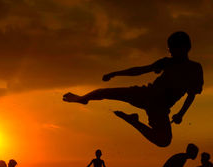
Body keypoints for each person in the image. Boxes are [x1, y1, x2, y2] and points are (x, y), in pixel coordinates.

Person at [63, 31, 203, 147]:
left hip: (159, 109)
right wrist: (115, 73)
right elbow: (140, 70)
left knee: (164, 141)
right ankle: (82, 99)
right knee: (104, 92)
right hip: (146, 95)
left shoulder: (195, 69)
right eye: (170, 49)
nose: (171, 52)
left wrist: (181, 114)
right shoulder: (167, 62)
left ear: (185, 47)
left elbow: (192, 94)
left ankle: (133, 121)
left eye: (173, 49)